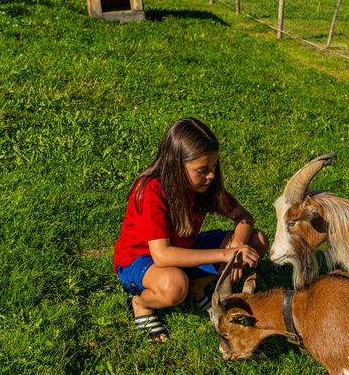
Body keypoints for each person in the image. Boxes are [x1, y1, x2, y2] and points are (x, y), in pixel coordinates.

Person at [113, 117, 268, 342]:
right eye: (202, 170)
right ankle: (141, 304)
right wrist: (226, 254)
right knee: (174, 285)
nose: (212, 175)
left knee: (257, 241)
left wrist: (237, 246)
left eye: (214, 166)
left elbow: (244, 217)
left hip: (185, 249)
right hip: (140, 261)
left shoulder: (204, 186)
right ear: (176, 165)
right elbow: (162, 254)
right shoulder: (150, 191)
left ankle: (196, 288)